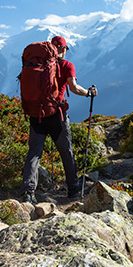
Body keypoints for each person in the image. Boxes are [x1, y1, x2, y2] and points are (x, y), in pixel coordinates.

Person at [19, 35, 98, 204]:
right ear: (63, 49)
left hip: (36, 114)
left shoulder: (36, 63)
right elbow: (74, 87)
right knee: (66, 152)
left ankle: (28, 192)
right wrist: (89, 93)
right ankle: (73, 190)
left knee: (34, 153)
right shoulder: (67, 65)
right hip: (56, 115)